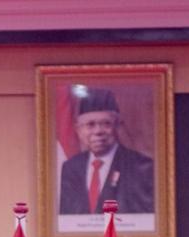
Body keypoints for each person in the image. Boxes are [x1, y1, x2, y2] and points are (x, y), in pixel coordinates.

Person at [59, 87, 154, 215]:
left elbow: (147, 219)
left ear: (117, 126)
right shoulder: (70, 168)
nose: (98, 131)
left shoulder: (142, 167)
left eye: (106, 124)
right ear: (78, 130)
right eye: (90, 124)